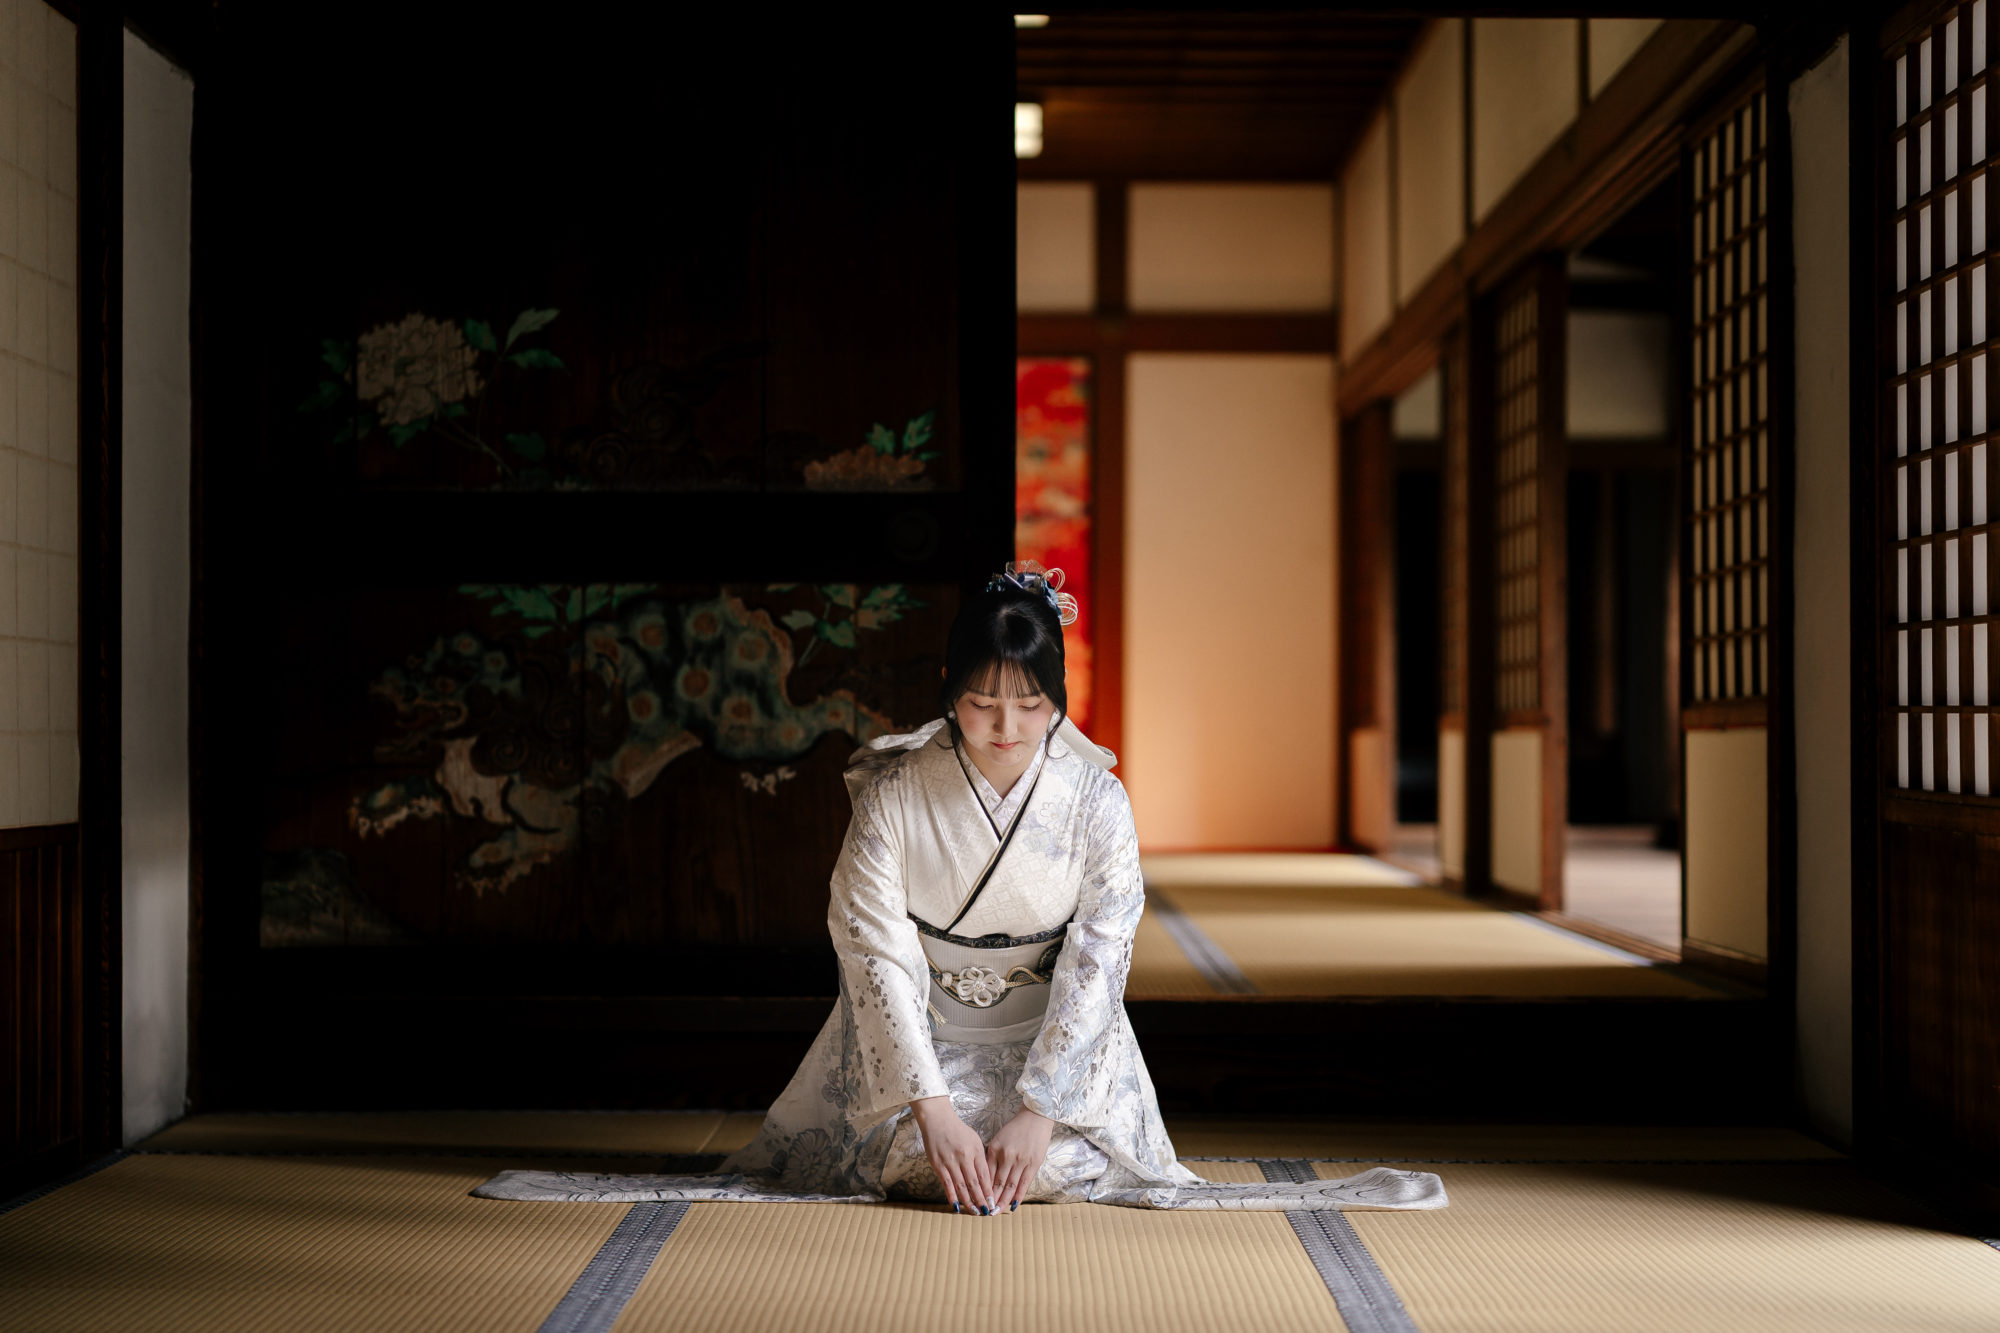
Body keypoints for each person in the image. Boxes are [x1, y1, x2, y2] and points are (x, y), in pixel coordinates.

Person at [476, 565, 1445, 1214]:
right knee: (912, 1155)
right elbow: (871, 947)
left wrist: (1040, 1104)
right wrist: (932, 1105)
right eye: (982, 704)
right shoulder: (895, 792)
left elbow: (1102, 953)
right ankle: (942, 1135)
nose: (1005, 728)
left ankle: (1028, 1137)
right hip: (923, 1039)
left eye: (1029, 705)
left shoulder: (1095, 800)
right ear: (948, 690)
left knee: (1058, 1158)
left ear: (1057, 697)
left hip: (1052, 1038)